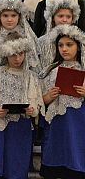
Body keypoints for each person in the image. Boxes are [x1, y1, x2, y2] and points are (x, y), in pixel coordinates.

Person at [0, 37, 44, 179]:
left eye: (21, 54)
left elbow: (36, 102)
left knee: (19, 167)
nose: (17, 58)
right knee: (2, 166)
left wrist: (32, 110)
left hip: (23, 127)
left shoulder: (31, 76)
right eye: (13, 54)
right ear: (6, 54)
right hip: (3, 126)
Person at [40, 25, 85, 178]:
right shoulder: (51, 71)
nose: (64, 49)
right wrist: (49, 96)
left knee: (75, 158)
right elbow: (41, 101)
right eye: (61, 45)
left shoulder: (83, 70)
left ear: (78, 47)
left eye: (69, 45)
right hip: (56, 125)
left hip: (78, 125)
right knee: (55, 159)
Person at [0, 0, 39, 80]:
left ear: (19, 16)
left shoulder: (27, 36)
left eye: (13, 15)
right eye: (5, 15)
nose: (9, 19)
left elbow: (32, 64)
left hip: (23, 79)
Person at [37, 0, 80, 69]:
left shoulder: (79, 39)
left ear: (73, 19)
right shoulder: (41, 41)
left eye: (68, 17)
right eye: (60, 16)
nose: (64, 20)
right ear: (53, 17)